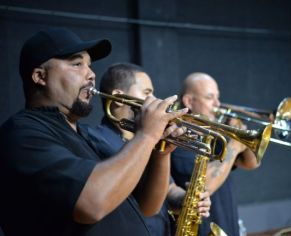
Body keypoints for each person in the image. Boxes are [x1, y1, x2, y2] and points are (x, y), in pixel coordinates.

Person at [0, 27, 188, 236]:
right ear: (40, 76)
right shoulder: (22, 133)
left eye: (90, 66)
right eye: (77, 64)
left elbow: (147, 207)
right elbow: (91, 204)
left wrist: (162, 152)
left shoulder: (87, 137)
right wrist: (146, 136)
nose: (91, 75)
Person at [83, 63, 211, 236]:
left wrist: (187, 199)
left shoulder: (149, 141)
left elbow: (169, 189)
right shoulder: (94, 139)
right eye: (147, 93)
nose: (154, 100)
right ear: (118, 98)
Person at [171, 72, 260, 236]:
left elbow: (251, 164)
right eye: (210, 97)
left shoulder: (215, 136)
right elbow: (201, 186)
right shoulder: (179, 137)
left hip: (227, 226)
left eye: (217, 97)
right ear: (189, 101)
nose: (218, 104)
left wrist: (244, 137)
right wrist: (234, 146)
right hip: (203, 229)